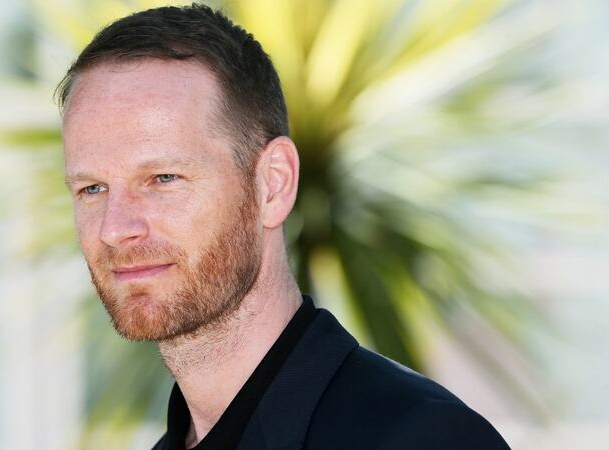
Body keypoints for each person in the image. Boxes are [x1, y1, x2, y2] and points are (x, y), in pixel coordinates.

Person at [58, 4, 510, 449]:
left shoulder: (423, 440)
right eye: (92, 188)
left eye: (163, 179)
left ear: (273, 184)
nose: (114, 229)